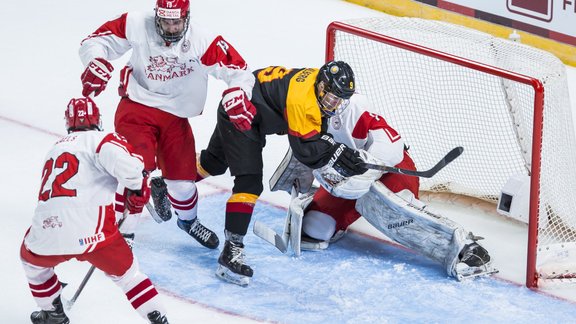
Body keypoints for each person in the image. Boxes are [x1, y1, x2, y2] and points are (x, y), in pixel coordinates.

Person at [78, 0, 257, 249]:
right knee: (133, 171)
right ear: (157, 16)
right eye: (165, 21)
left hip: (175, 117)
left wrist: (237, 92)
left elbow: (240, 71)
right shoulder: (136, 23)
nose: (171, 28)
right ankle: (123, 231)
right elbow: (94, 41)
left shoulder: (202, 40)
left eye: (177, 22)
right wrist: (95, 59)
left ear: (186, 17)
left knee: (182, 184)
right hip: (137, 109)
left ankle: (188, 222)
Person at [179, 61, 368, 286]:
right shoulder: (303, 100)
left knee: (213, 163)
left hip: (245, 107)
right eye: (331, 98)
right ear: (321, 87)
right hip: (243, 115)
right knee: (249, 183)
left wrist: (334, 149)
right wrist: (336, 151)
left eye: (339, 100)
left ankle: (167, 184)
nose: (333, 105)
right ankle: (231, 252)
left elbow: (317, 135)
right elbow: (305, 151)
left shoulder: (317, 86)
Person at [290, 93, 496, 280]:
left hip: (392, 168)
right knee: (316, 227)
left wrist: (364, 170)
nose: (329, 100)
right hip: (349, 179)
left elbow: (391, 147)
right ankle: (348, 211)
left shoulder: (355, 108)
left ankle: (467, 246)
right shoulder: (305, 110)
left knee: (398, 213)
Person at [20, 97, 169, 324]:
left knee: (32, 262)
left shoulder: (55, 147)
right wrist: (138, 186)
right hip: (95, 233)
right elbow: (130, 170)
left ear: (68, 122)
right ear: (98, 120)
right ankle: (157, 317)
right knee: (129, 277)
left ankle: (52, 313)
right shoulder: (102, 139)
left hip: (47, 231)